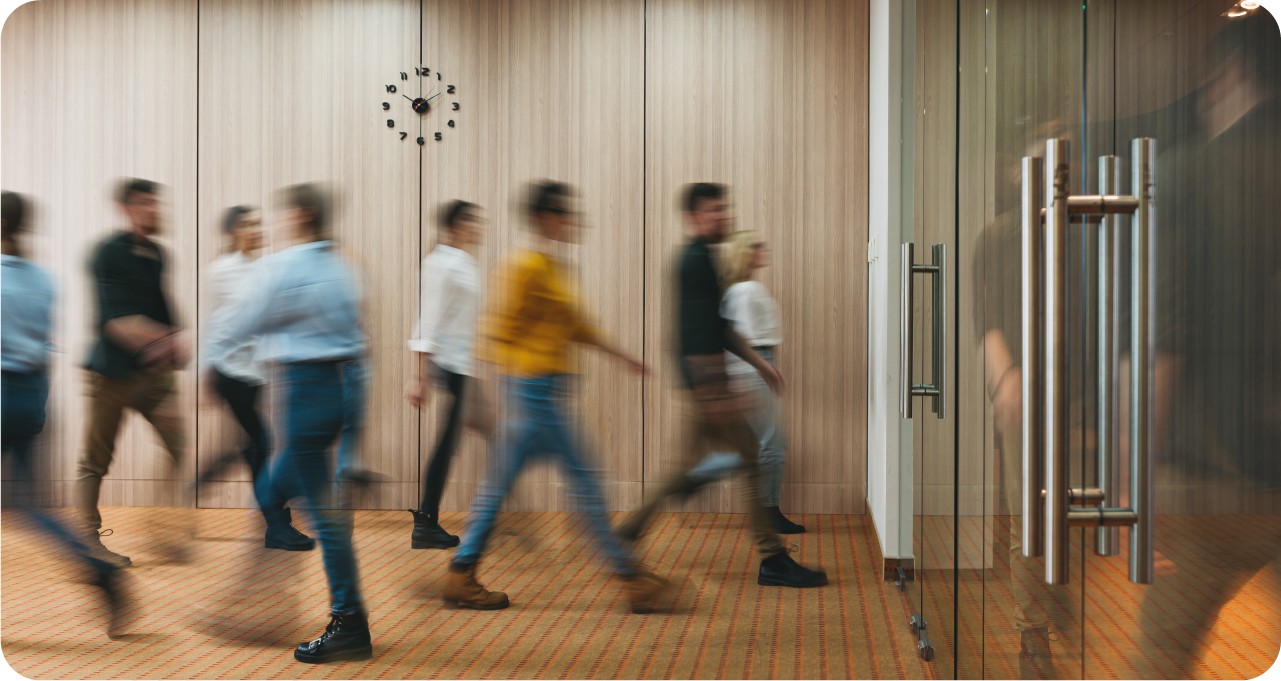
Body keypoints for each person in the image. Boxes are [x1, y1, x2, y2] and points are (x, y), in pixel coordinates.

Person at [442, 180, 671, 614]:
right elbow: (494, 332)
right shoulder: (522, 266)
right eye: (567, 213)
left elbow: (575, 326)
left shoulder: (554, 267)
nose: (574, 221)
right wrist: (488, 397)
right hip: (532, 395)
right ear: (546, 217)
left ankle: (461, 572)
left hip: (540, 394)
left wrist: (622, 356)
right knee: (585, 480)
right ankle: (632, 578)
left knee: (498, 487)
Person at [616, 183, 827, 589]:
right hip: (706, 387)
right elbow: (694, 336)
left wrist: (761, 366)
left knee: (697, 466)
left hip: (707, 386)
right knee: (745, 458)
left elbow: (720, 329)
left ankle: (630, 530)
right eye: (715, 210)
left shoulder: (705, 261)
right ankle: (772, 558)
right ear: (694, 216)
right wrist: (716, 393)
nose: (724, 216)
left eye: (725, 208)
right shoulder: (693, 261)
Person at [202, 183, 372, 664]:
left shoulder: (286, 267)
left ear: (300, 215)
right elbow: (362, 344)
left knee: (326, 518)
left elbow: (242, 321)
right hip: (339, 390)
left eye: (280, 215)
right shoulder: (344, 269)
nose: (273, 224)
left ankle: (349, 622)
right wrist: (355, 435)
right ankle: (253, 606)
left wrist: (206, 366)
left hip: (302, 399)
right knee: (273, 496)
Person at [0, 191, 135, 638]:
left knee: (20, 505)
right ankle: (98, 570)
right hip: (29, 400)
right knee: (26, 505)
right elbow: (42, 347)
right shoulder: (43, 280)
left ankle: (100, 572)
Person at [77, 178, 191, 568]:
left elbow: (164, 312)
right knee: (95, 460)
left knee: (177, 444)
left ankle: (161, 529)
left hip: (152, 376)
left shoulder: (158, 254)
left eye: (157, 204)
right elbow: (114, 322)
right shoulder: (107, 253)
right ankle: (89, 541)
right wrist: (169, 339)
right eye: (146, 204)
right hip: (112, 374)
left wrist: (173, 350)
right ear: (126, 208)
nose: (155, 210)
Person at [199, 205, 313, 550]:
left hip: (257, 373)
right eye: (249, 224)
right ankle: (277, 525)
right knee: (262, 444)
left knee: (255, 446)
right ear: (233, 232)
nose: (257, 229)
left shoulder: (265, 269)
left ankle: (216, 474)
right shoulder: (221, 271)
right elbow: (218, 324)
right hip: (230, 371)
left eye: (259, 223)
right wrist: (205, 372)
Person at [683, 231, 805, 534]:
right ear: (744, 253)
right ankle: (768, 512)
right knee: (773, 444)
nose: (763, 249)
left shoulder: (739, 289)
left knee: (752, 446)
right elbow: (744, 340)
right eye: (756, 245)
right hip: (755, 369)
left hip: (753, 368)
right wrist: (765, 370)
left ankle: (694, 477)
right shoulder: (746, 291)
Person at [404, 200, 485, 549]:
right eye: (471, 221)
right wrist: (417, 376)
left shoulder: (465, 263)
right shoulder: (440, 264)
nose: (478, 226)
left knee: (453, 441)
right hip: (450, 364)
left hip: (464, 364)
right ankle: (426, 521)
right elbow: (428, 321)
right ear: (454, 225)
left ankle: (428, 520)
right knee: (452, 442)